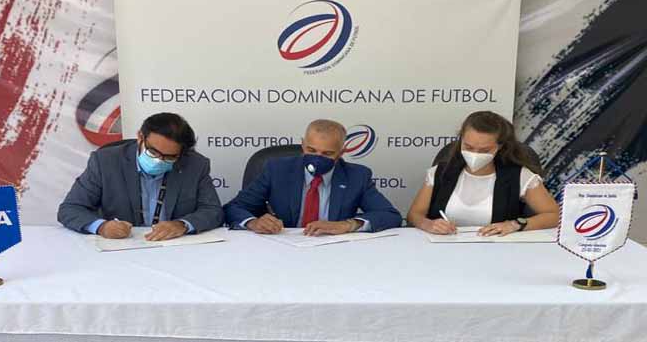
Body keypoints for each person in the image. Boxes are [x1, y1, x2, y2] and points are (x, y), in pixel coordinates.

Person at [58, 112, 223, 240]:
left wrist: (183, 225)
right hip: (120, 248)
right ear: (140, 137)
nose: (159, 160)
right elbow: (70, 209)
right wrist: (101, 227)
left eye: (170, 157)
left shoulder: (195, 165)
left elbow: (213, 211)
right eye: (153, 152)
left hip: (173, 247)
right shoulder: (105, 161)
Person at [224, 119, 402, 235]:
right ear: (303, 146)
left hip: (335, 250)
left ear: (341, 153)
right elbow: (234, 207)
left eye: (327, 153)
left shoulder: (357, 176)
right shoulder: (277, 169)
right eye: (311, 150)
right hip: (282, 248)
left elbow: (390, 215)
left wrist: (347, 225)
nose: (317, 158)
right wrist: (253, 222)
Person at [407, 111, 559, 236]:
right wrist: (428, 224)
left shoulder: (519, 176)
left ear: (500, 147)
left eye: (484, 150)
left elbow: (554, 215)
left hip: (498, 252)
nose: (475, 154)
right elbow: (414, 215)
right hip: (443, 251)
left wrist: (514, 225)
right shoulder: (441, 172)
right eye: (468, 147)